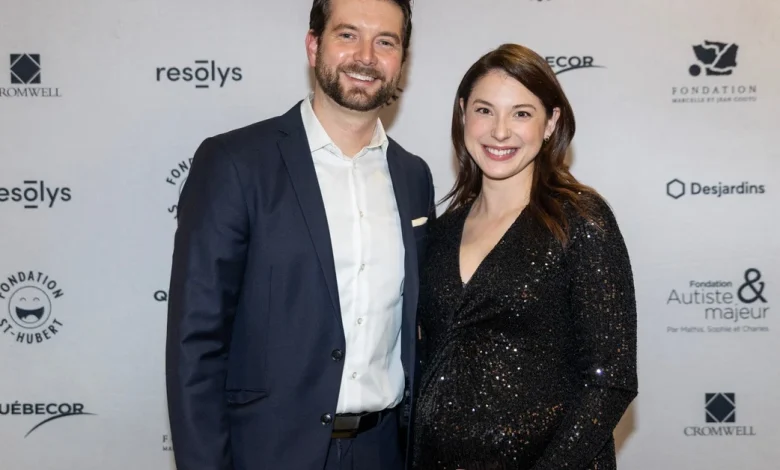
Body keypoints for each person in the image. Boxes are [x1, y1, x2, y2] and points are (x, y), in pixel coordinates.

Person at [165, 0, 435, 469]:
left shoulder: (413, 176)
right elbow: (197, 344)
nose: (366, 56)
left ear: (401, 63)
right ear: (314, 45)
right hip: (268, 452)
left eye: (385, 41)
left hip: (383, 451)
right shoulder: (235, 163)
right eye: (348, 35)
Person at [412, 43, 638, 470]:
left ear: (551, 122)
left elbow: (612, 379)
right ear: (463, 114)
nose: (500, 132)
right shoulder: (440, 232)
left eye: (521, 113)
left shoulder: (581, 221)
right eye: (484, 110)